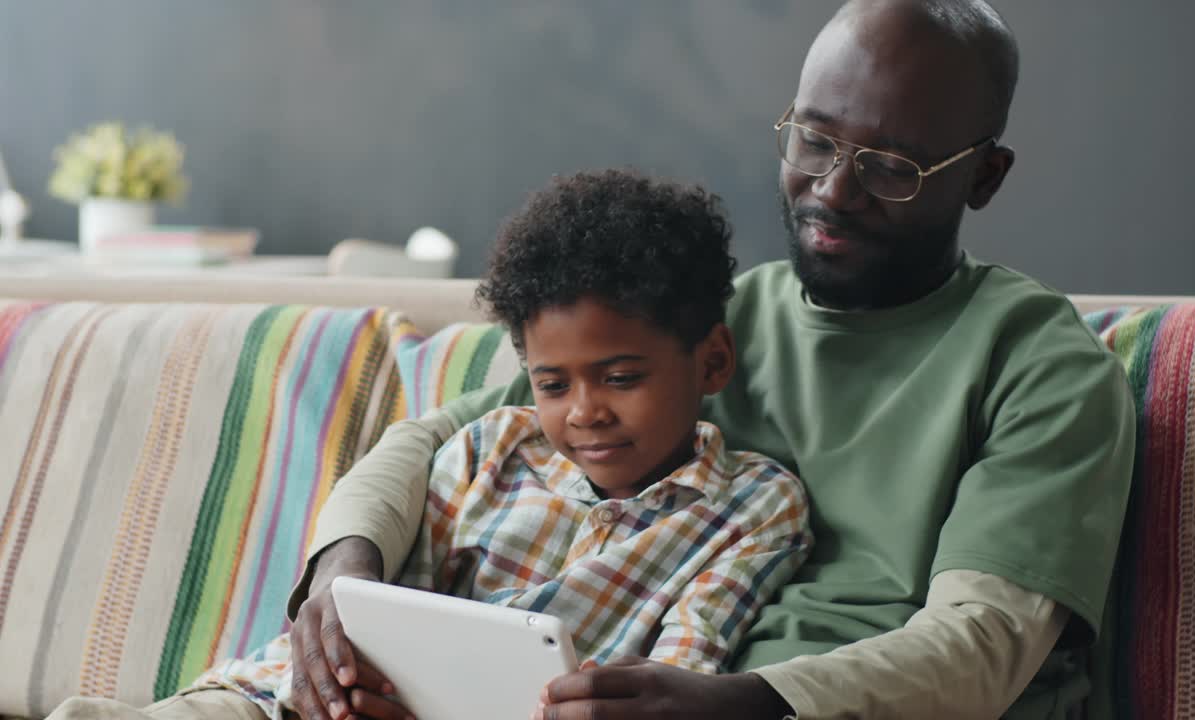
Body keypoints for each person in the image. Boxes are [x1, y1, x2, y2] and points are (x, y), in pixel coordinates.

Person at [284, 1, 1136, 719]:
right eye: (813, 140)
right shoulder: (712, 317)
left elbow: (980, 647)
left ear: (985, 176)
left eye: (890, 166)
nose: (833, 189)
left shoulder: (1040, 367)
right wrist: (343, 576)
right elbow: (435, 438)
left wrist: (744, 703)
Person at [49, 171, 812, 720]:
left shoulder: (751, 505)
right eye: (552, 385)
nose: (585, 413)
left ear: (710, 361)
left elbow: (682, 669)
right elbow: (384, 615)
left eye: (619, 377)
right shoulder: (488, 450)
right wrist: (359, 683)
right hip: (285, 700)